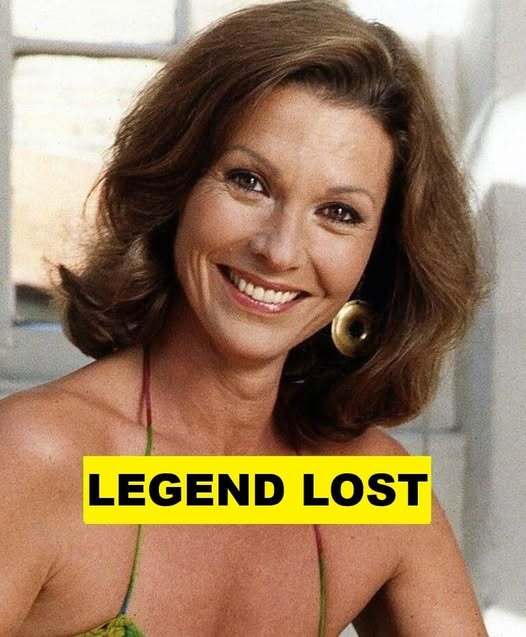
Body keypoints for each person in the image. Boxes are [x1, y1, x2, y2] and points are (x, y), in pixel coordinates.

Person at [0, 1, 489, 635]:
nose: (279, 251)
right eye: (249, 182)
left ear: (382, 255)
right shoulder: (34, 458)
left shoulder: (369, 489)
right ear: (177, 184)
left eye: (339, 213)